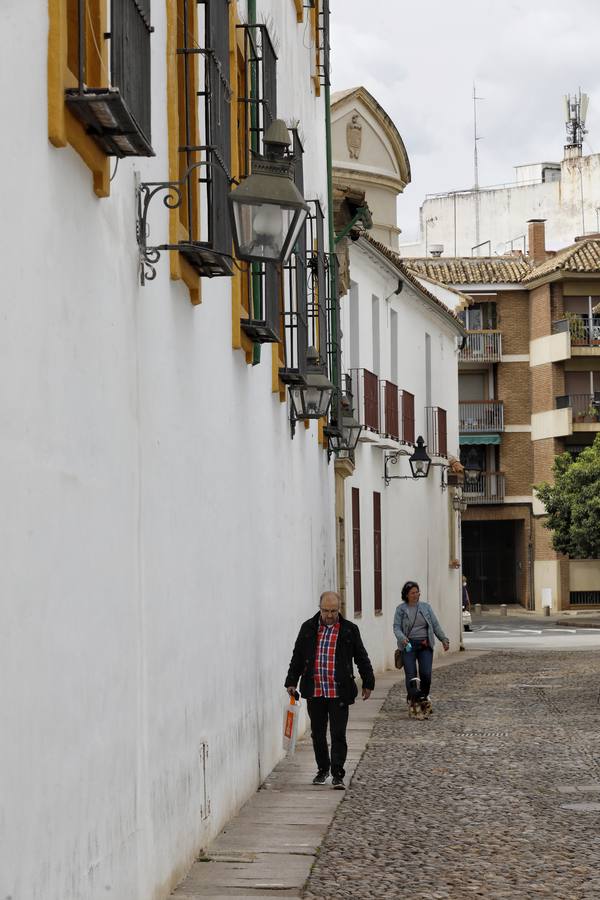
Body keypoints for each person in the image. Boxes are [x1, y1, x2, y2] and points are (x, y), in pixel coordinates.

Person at [285, 591, 375, 790]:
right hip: (315, 689)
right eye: (325, 610)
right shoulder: (308, 628)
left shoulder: (349, 630)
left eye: (333, 611)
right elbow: (297, 657)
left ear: (339, 609)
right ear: (320, 608)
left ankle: (338, 773)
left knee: (338, 734)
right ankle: (322, 769)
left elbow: (361, 656)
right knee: (317, 733)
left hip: (339, 691)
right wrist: (291, 681)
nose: (329, 615)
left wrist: (368, 681)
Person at [393, 581, 449, 720]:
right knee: (411, 676)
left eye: (417, 592)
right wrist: (402, 638)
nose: (416, 595)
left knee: (426, 674)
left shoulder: (425, 608)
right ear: (406, 594)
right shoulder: (401, 609)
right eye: (412, 593)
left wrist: (444, 639)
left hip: (425, 645)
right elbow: (396, 627)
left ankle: (422, 698)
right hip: (408, 646)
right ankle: (415, 700)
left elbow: (435, 625)